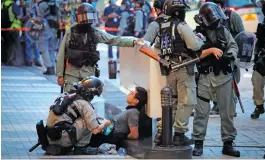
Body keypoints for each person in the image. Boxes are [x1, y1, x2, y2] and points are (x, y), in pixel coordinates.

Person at [143, 0, 221, 146]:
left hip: (169, 69)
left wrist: (161, 60)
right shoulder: (181, 25)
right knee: (187, 101)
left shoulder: (161, 25)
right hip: (184, 68)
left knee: (170, 102)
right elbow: (195, 45)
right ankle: (179, 134)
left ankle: (161, 133)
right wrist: (199, 38)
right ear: (179, 11)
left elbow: (144, 45)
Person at [56, 3, 143, 92]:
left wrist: (132, 41)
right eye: (84, 17)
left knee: (85, 101)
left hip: (87, 75)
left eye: (88, 17)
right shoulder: (70, 32)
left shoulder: (94, 33)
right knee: (69, 101)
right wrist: (60, 75)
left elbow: (113, 39)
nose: (86, 20)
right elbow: (62, 53)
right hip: (71, 75)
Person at [192, 2, 240, 157]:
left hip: (224, 77)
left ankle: (228, 143)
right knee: (201, 113)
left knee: (227, 113)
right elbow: (193, 52)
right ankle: (198, 143)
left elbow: (233, 46)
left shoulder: (223, 30)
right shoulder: (197, 33)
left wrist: (230, 55)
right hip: (205, 78)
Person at [46, 76, 111, 155]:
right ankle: (81, 148)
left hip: (50, 137)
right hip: (61, 139)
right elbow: (95, 130)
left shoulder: (67, 95)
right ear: (91, 92)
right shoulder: (85, 104)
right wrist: (105, 123)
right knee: (88, 121)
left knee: (88, 118)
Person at [205, 0, 244, 115]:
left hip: (230, 54)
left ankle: (231, 108)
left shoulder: (232, 16)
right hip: (215, 54)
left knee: (231, 83)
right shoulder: (208, 18)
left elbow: (242, 36)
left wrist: (234, 55)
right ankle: (217, 105)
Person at [38, 0, 61, 75]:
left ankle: (49, 67)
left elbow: (39, 18)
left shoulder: (42, 4)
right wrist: (59, 29)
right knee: (51, 49)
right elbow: (59, 18)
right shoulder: (56, 4)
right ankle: (52, 67)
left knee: (44, 48)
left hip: (45, 27)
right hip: (54, 28)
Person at [250, 0, 265, 119]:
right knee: (256, 78)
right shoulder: (262, 24)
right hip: (263, 56)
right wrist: (256, 56)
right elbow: (259, 42)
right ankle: (259, 105)